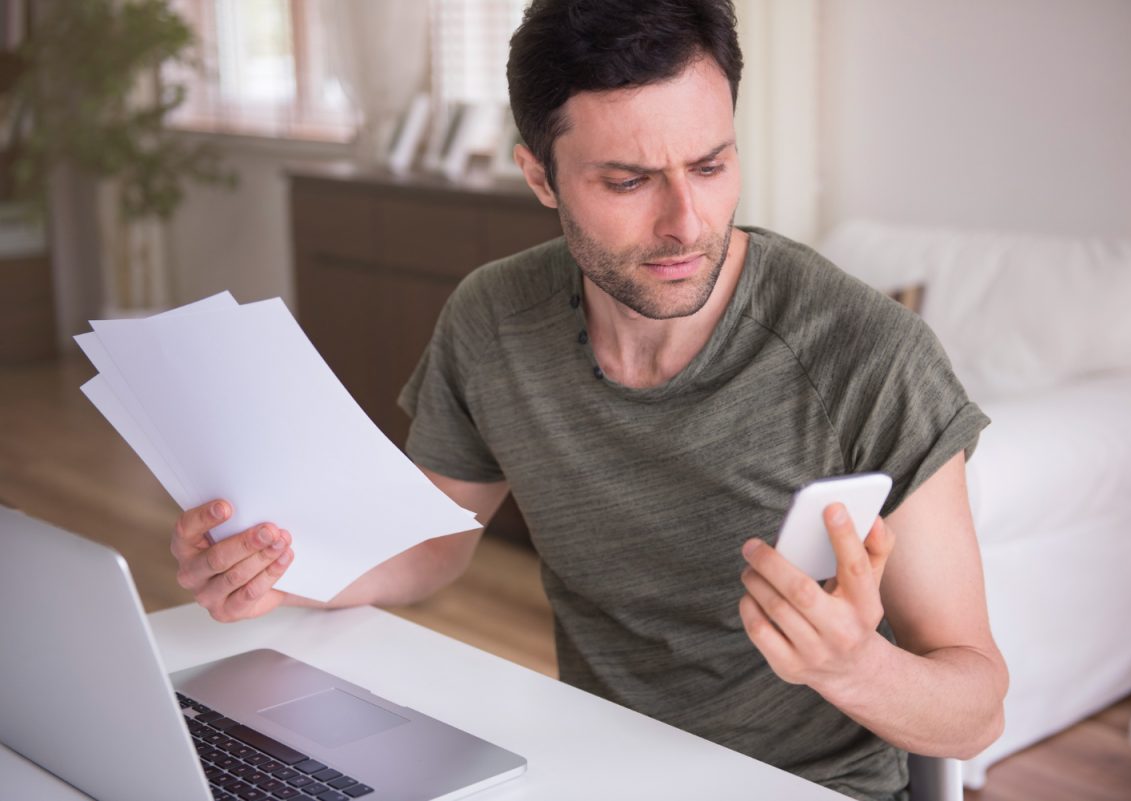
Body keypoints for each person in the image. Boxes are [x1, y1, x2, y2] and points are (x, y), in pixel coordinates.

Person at [170, 1, 1008, 798]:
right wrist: (287, 570)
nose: (687, 222)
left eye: (711, 165)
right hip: (592, 762)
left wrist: (851, 663)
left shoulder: (870, 357)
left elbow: (977, 709)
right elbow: (434, 543)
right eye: (628, 180)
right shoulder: (493, 319)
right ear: (539, 175)